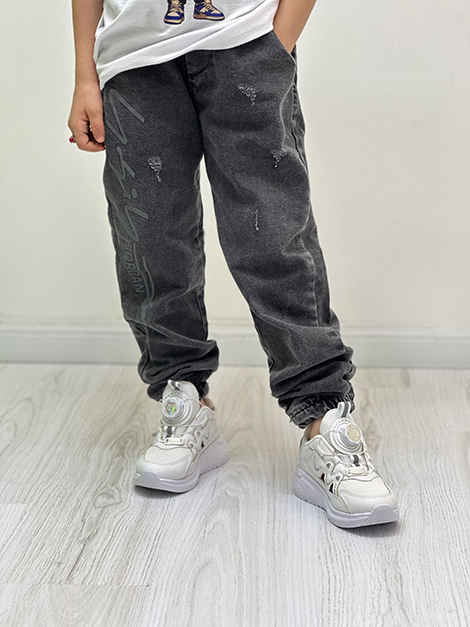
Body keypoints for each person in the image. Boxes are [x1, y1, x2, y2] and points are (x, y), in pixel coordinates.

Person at [68, 0, 399, 528]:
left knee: (273, 237)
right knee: (150, 238)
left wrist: (275, 45)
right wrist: (85, 73)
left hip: (245, 42)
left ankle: (323, 420)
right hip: (132, 60)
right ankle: (183, 399)